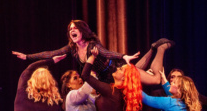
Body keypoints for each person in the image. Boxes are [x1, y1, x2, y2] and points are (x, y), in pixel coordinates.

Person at [12, 19, 174, 84]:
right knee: (139, 70)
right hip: (105, 79)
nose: (72, 31)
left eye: (75, 29)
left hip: (117, 70)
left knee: (155, 80)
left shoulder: (91, 44)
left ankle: (159, 49)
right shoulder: (73, 48)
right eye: (70, 30)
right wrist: (27, 57)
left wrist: (123, 56)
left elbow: (106, 52)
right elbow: (51, 52)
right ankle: (152, 48)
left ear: (82, 31)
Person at [81, 47, 143, 111]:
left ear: (124, 77)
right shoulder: (122, 93)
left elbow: (85, 75)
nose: (117, 68)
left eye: (121, 69)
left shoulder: (110, 90)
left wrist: (93, 56)